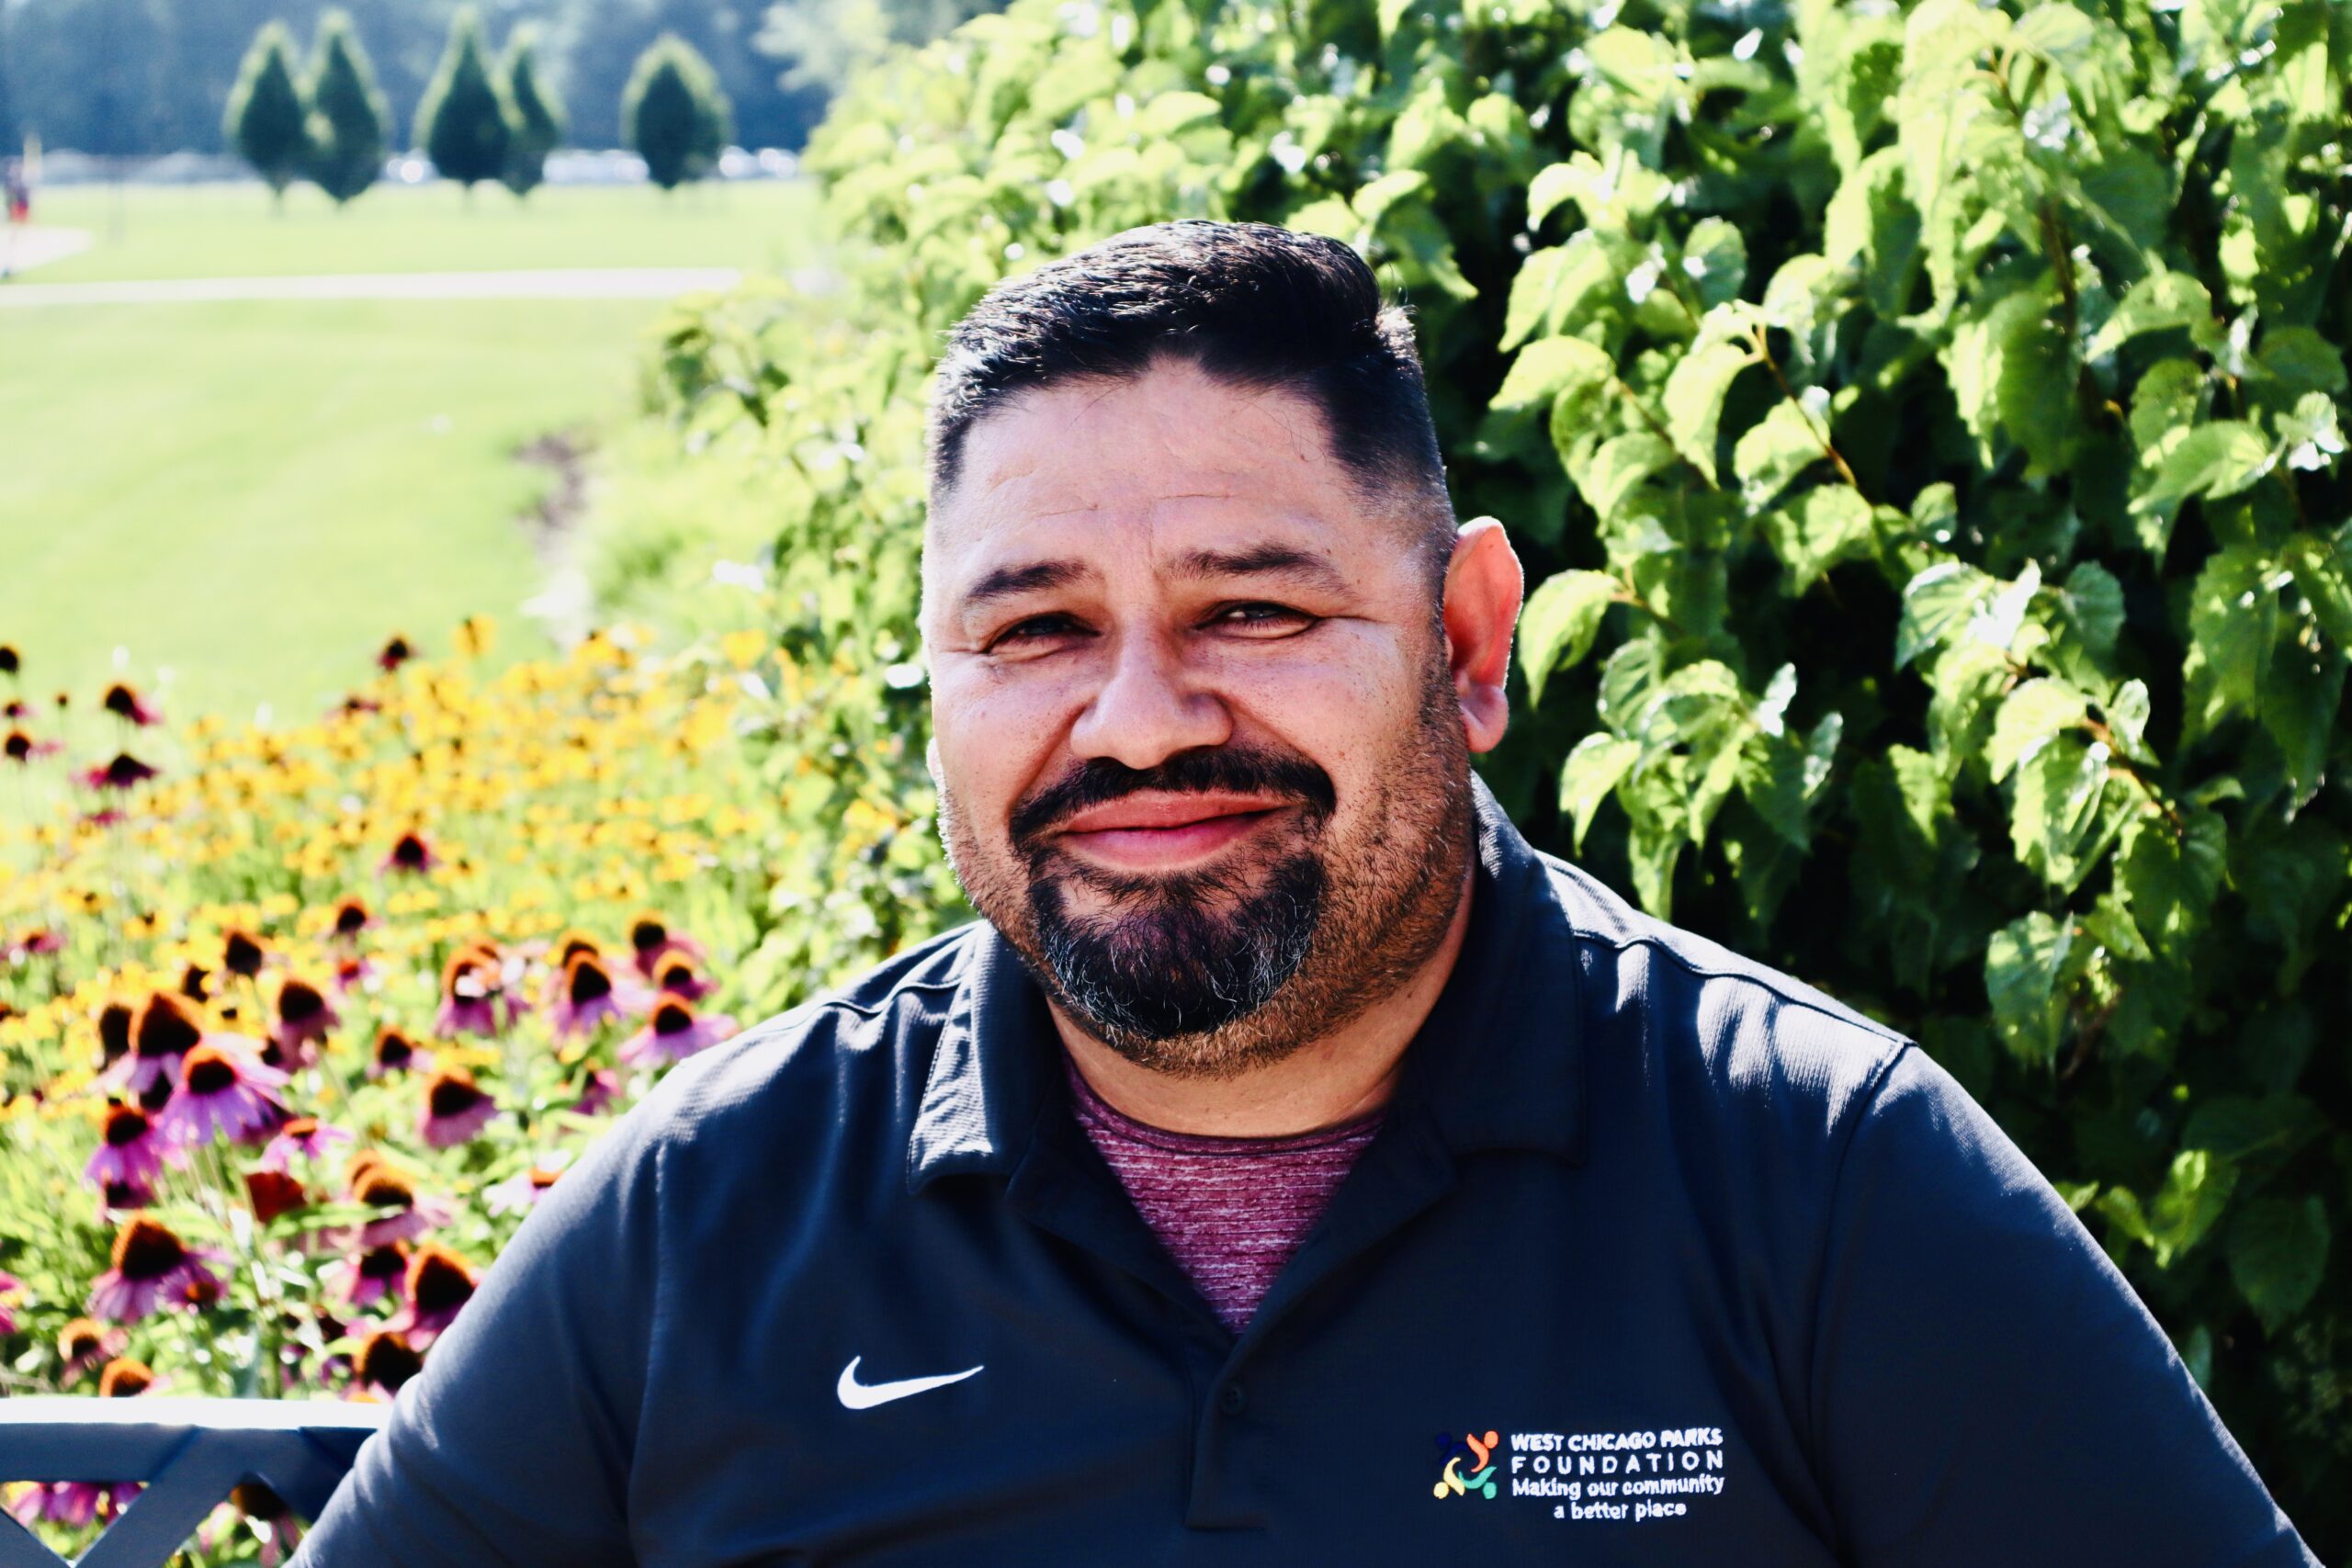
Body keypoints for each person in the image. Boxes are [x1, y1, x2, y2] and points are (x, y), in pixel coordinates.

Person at [295, 220, 2320, 1564]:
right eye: (1032, 628)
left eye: (1248, 608)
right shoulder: (712, 1216)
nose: (1137, 718)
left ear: (1464, 637)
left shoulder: (1817, 1179)